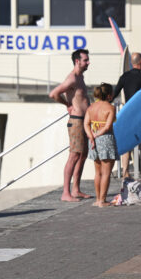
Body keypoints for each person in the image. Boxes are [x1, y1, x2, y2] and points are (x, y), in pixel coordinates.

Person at [49, 49, 91, 202]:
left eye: (88, 59)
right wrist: (67, 104)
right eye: (85, 60)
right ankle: (65, 192)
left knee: (83, 154)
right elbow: (53, 94)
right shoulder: (72, 79)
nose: (88, 62)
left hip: (84, 120)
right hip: (76, 121)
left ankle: (76, 189)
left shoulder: (81, 77)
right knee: (74, 155)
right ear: (77, 61)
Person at [83, 83, 119, 207]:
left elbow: (86, 124)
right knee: (106, 172)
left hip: (92, 139)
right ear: (109, 95)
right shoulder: (110, 108)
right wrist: (98, 135)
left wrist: (91, 136)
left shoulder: (91, 107)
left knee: (97, 172)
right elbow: (108, 126)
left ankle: (98, 198)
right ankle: (102, 200)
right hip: (105, 139)